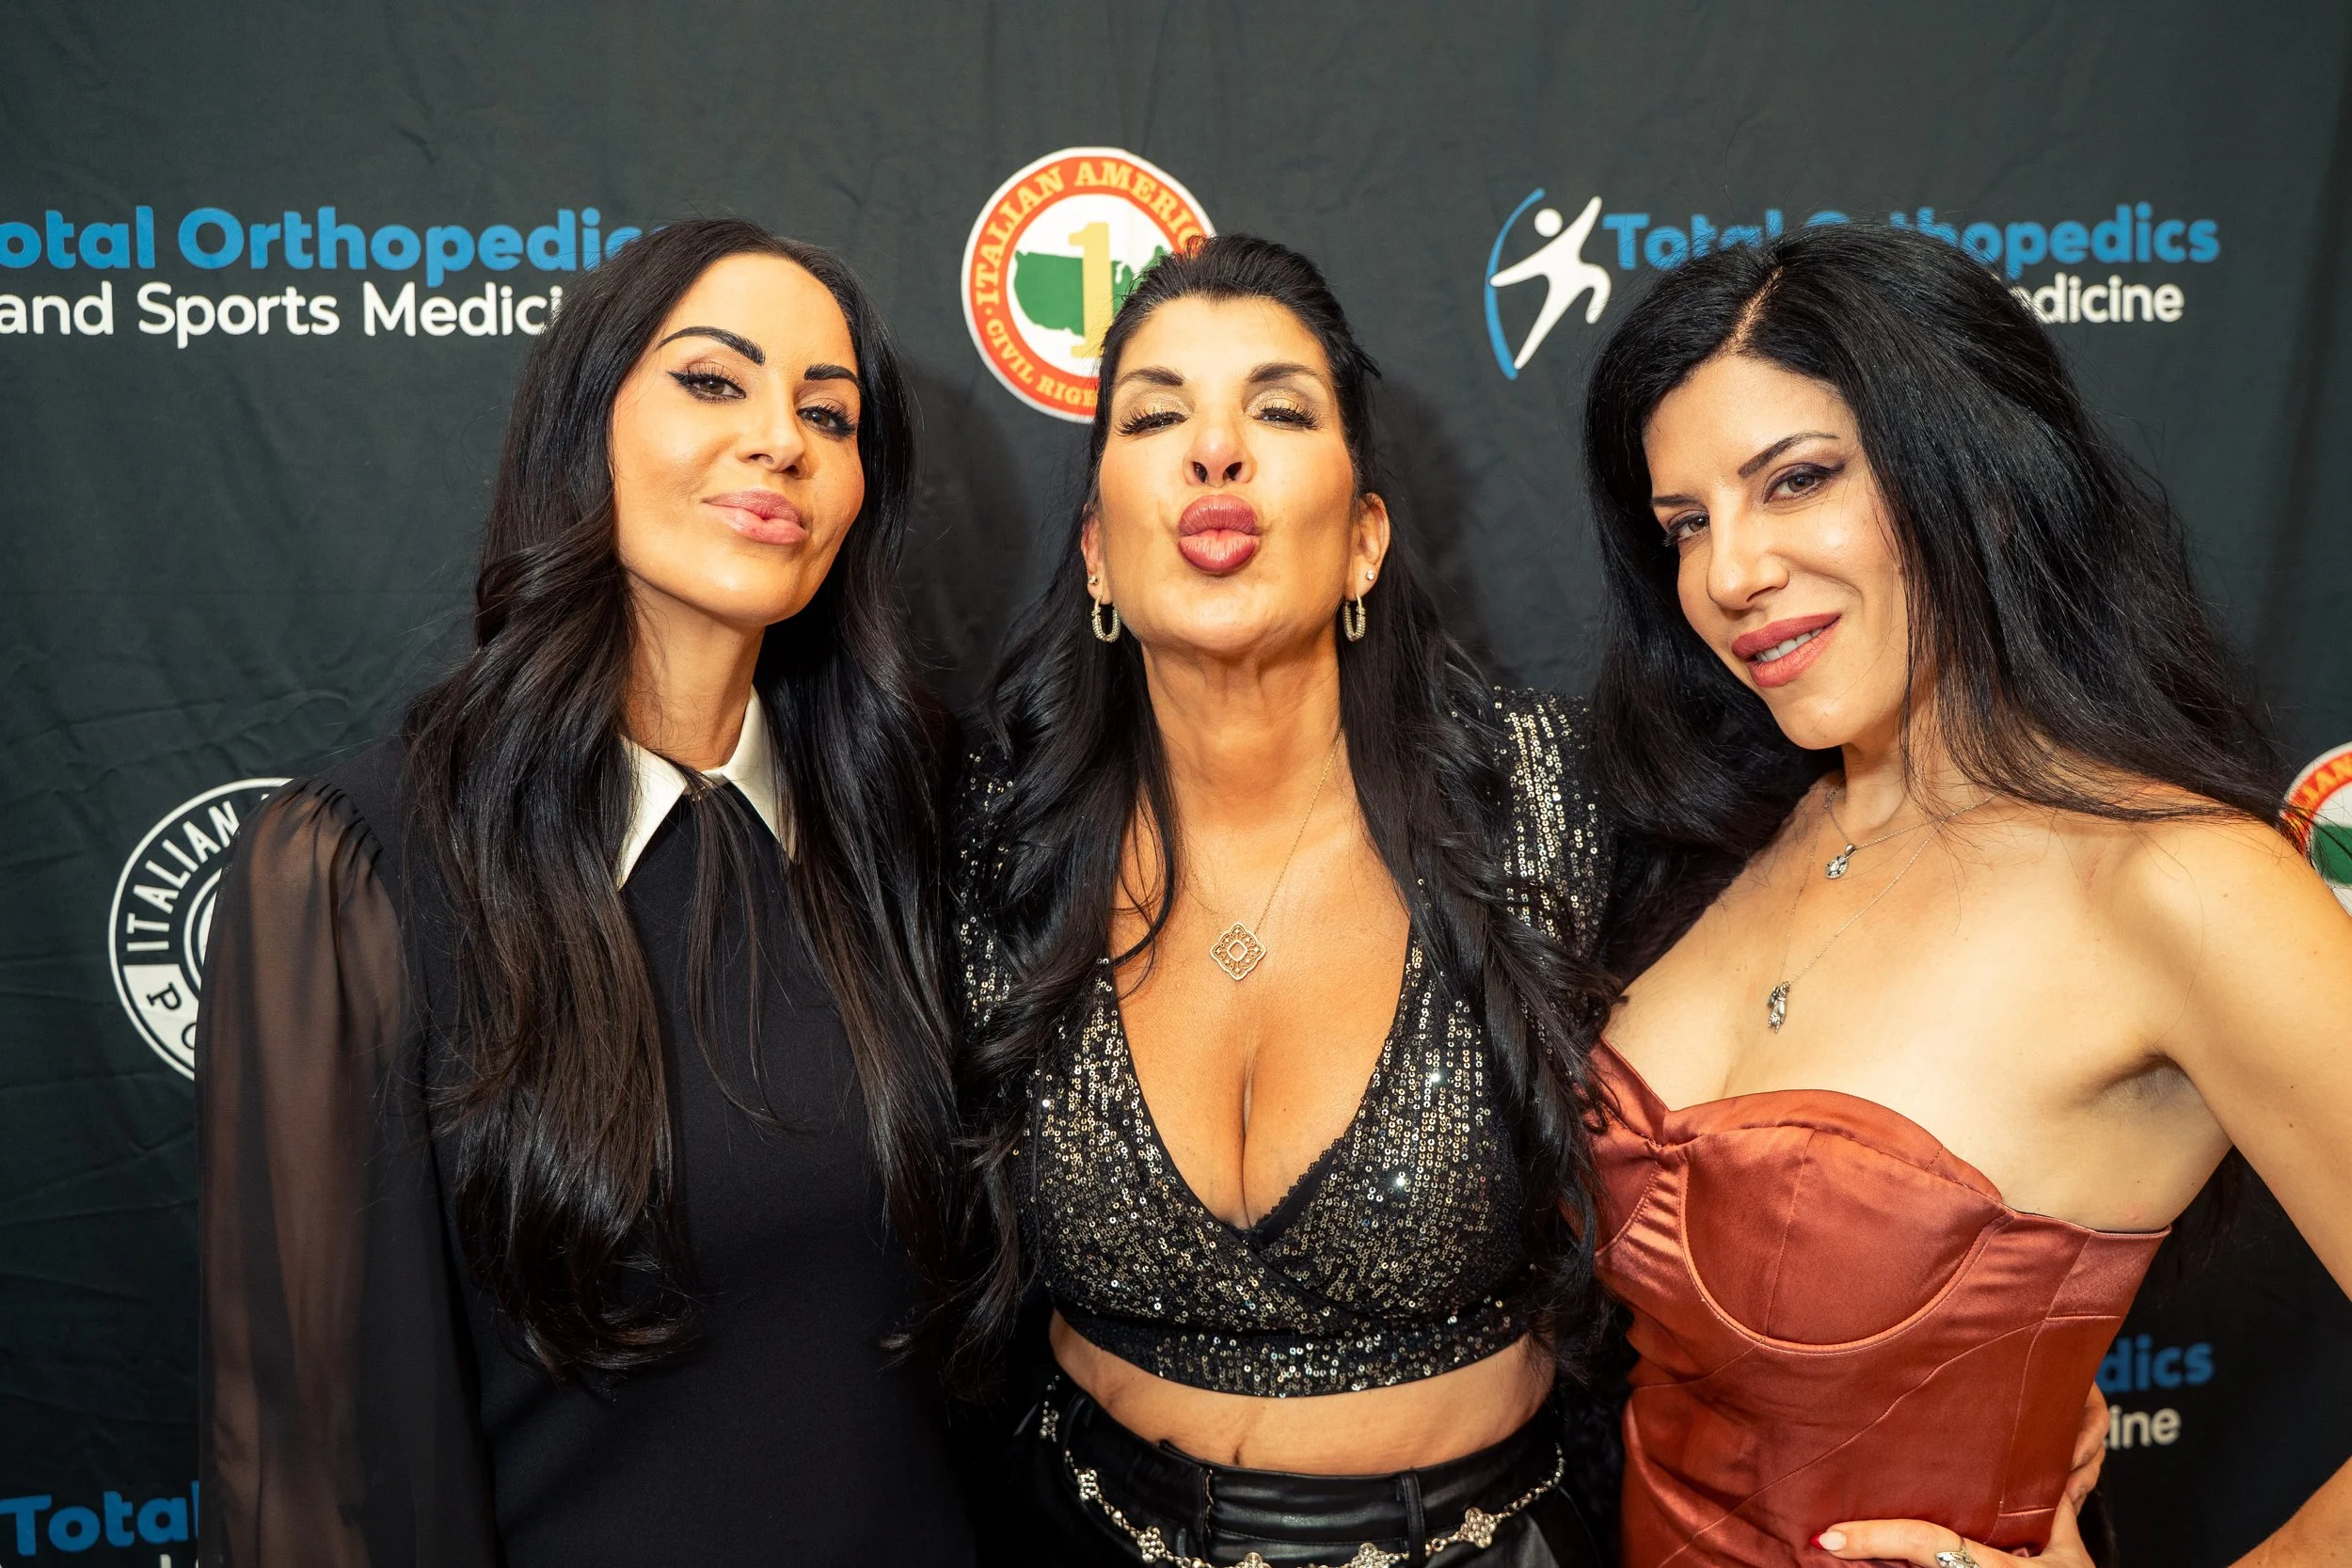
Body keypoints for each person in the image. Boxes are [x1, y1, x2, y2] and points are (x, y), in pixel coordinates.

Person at [197, 219, 973, 1566]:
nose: (781, 440)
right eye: (713, 382)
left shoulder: (910, 835)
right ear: (582, 424)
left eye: (829, 413)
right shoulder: (358, 873)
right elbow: (312, 1472)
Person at [1581, 221, 2352, 1568]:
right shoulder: (1742, 827)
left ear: (1982, 480)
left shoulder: (2172, 880)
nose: (1729, 573)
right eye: (1686, 525)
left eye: (1799, 480)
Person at [950, 233, 1620, 1567]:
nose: (1215, 451)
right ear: (1095, 549)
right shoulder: (993, 830)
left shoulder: (1541, 797)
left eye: (1278, 408)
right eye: (1157, 414)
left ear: (1366, 537)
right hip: (1080, 1529)